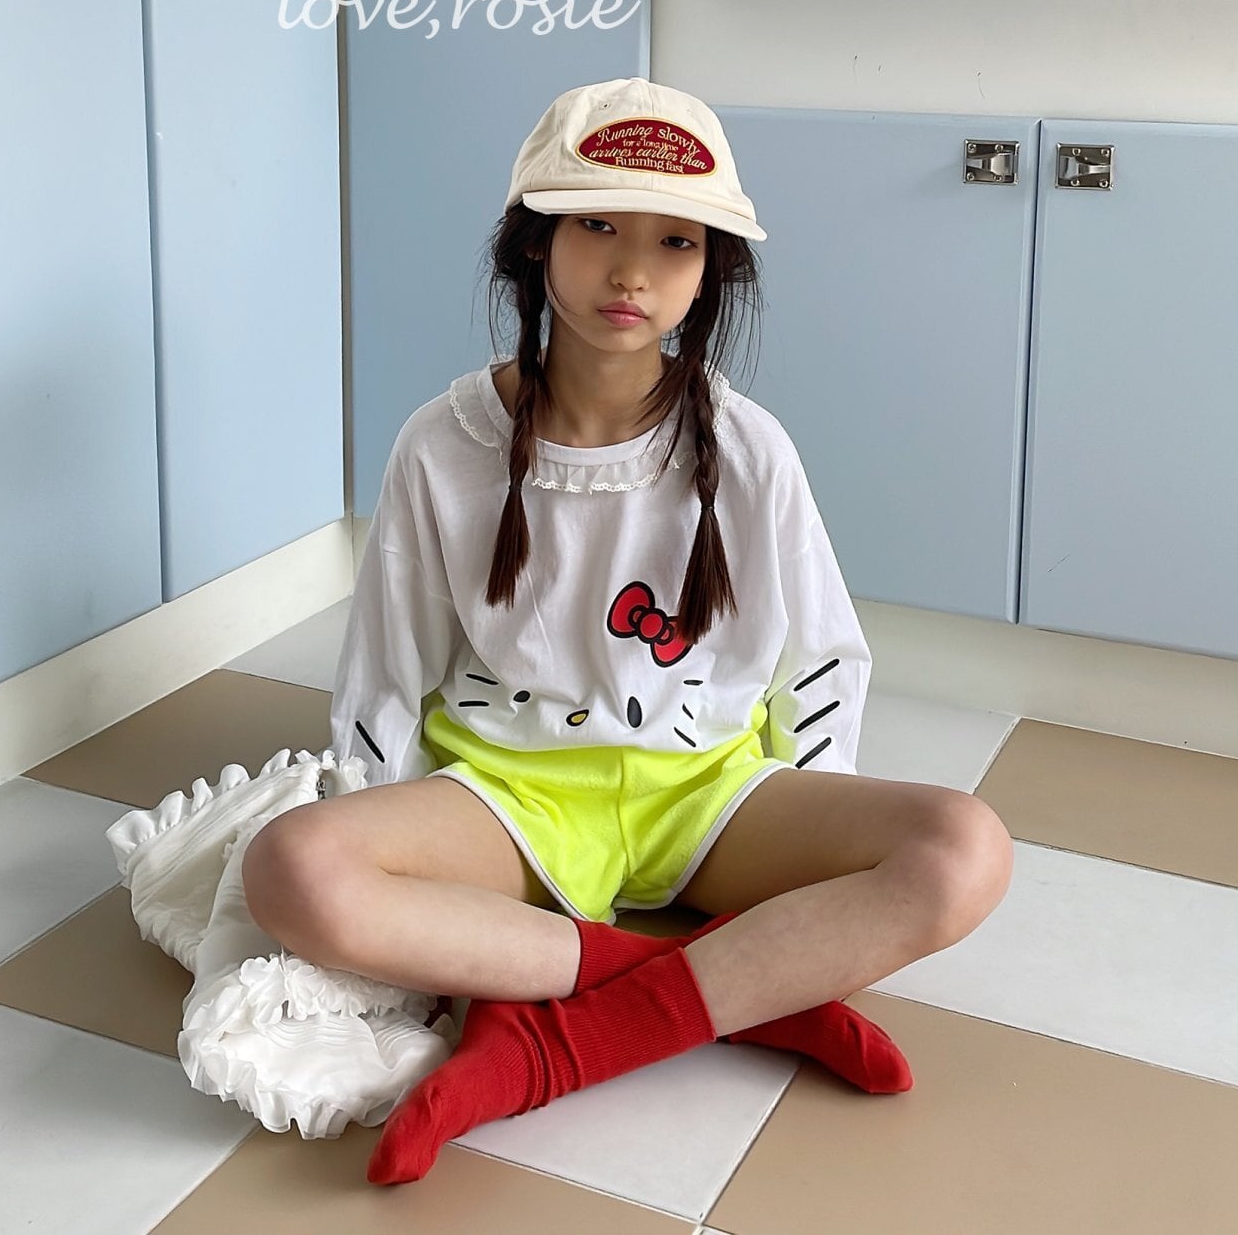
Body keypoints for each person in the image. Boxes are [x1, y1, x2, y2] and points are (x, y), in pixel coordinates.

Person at [242, 77, 1014, 1186]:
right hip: (509, 797)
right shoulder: (442, 443)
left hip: (706, 791)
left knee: (964, 849)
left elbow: (821, 658)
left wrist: (806, 836)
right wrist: (383, 830)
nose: (633, 271)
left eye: (675, 242)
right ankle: (730, 989)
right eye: (597, 226)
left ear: (710, 272)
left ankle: (556, 1032)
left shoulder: (746, 447)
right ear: (533, 243)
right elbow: (386, 670)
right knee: (293, 868)